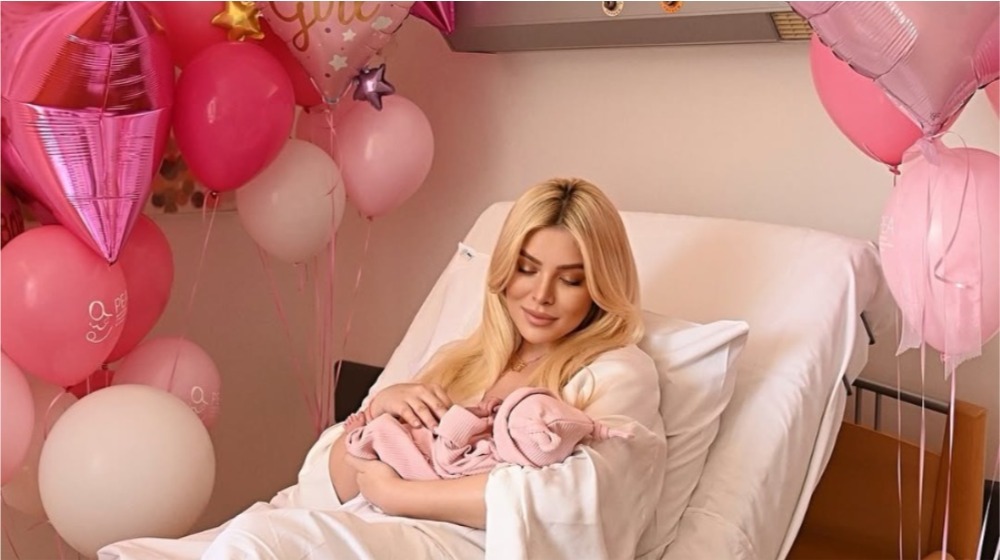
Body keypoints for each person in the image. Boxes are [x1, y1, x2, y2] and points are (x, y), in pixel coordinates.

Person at [100, 178, 668, 560]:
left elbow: (577, 502)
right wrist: (375, 413)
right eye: (525, 268)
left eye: (570, 280)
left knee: (261, 544)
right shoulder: (462, 360)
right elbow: (323, 486)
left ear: (600, 286)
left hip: (459, 544)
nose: (541, 295)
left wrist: (402, 498)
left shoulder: (615, 372)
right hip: (373, 521)